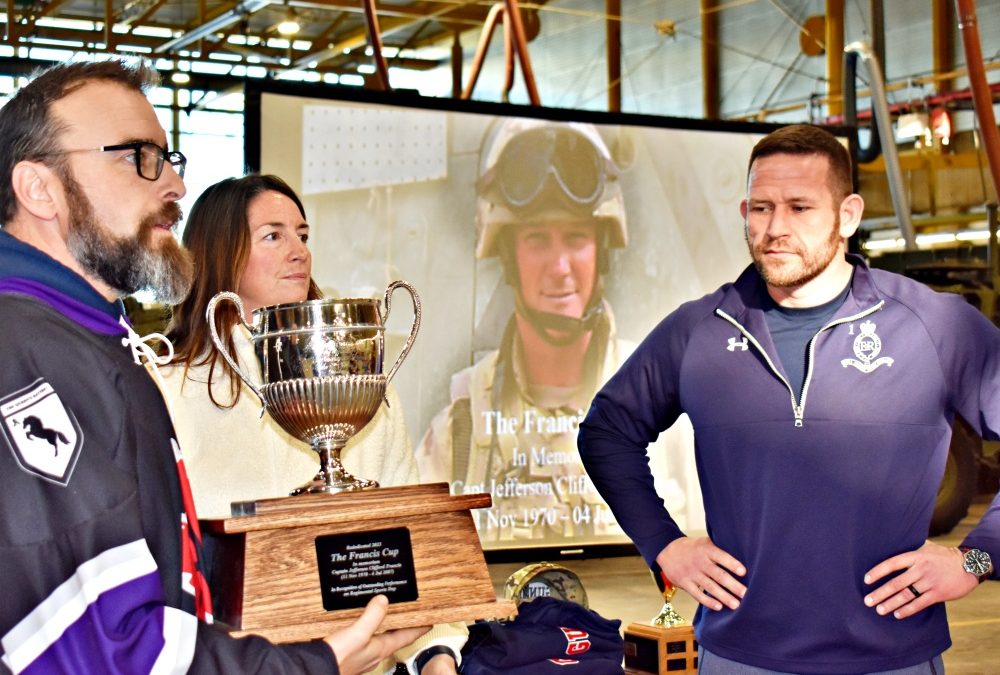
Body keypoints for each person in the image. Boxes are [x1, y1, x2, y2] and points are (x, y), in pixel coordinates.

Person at [0, 59, 427, 673]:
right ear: (40, 189)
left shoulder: (87, 344)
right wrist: (308, 664)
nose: (171, 185)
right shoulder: (28, 355)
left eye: (171, 159)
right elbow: (93, 645)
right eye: (136, 156)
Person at [578, 123, 999, 673]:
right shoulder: (699, 330)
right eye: (761, 208)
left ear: (847, 215)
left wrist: (977, 558)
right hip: (739, 656)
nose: (775, 227)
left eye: (800, 207)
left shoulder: (935, 326)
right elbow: (607, 430)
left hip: (891, 658)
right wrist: (664, 545)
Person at [159, 173, 466, 675]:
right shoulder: (167, 387)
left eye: (302, 235)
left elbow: (410, 528)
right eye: (273, 236)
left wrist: (439, 651)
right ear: (219, 250)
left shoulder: (361, 382)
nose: (298, 251)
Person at [416, 118, 692, 544]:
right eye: (538, 240)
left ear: (601, 251)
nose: (560, 267)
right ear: (508, 256)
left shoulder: (666, 408)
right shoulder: (461, 426)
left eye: (576, 237)